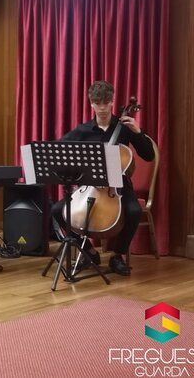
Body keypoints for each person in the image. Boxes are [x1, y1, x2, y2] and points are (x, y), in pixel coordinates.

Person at [50, 80, 154, 276]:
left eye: (106, 102)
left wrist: (138, 132)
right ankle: (89, 252)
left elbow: (148, 155)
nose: (103, 108)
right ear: (91, 103)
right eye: (98, 103)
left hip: (119, 188)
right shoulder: (83, 130)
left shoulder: (124, 127)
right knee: (57, 210)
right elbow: (59, 151)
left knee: (133, 211)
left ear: (112, 101)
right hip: (88, 188)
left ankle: (117, 255)